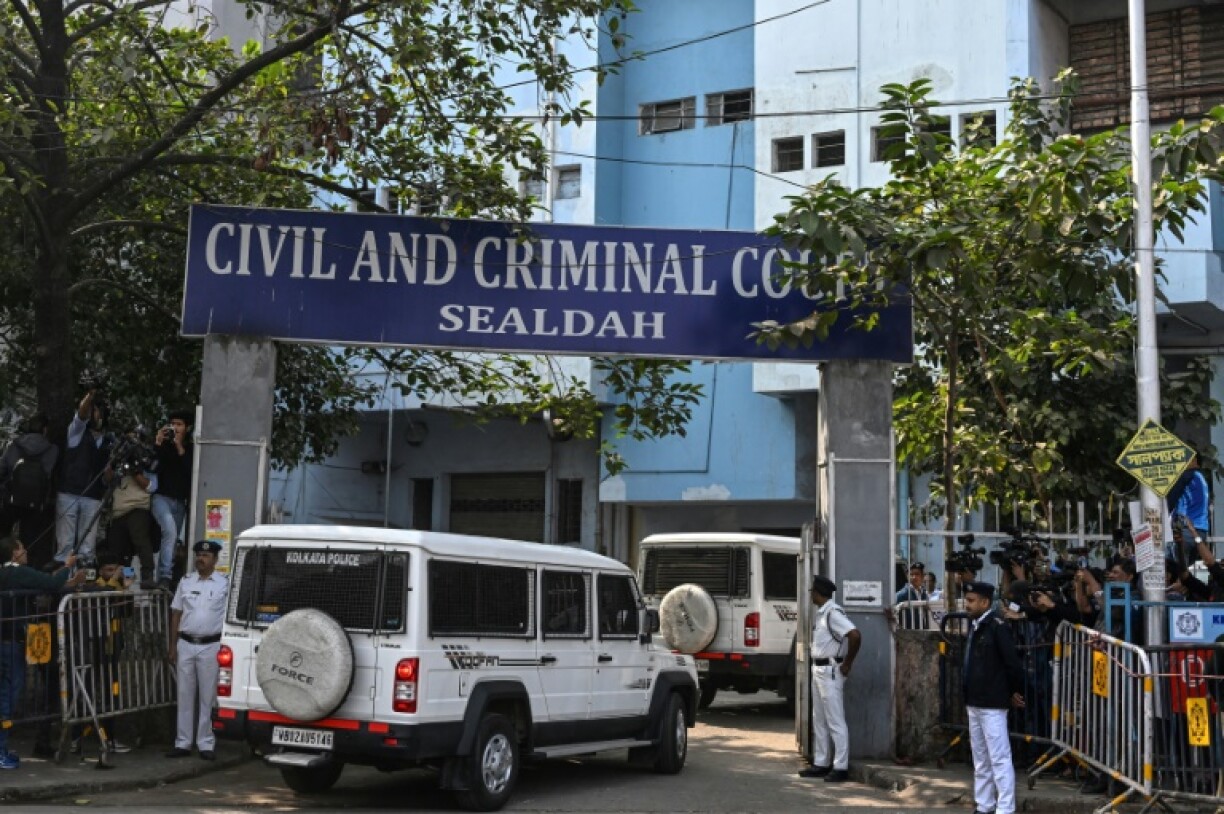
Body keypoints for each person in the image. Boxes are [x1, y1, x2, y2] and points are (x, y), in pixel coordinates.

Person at [0, 536, 86, 769]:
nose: (26, 551)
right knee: (8, 696)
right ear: (14, 554)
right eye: (22, 548)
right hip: (11, 643)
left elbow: (42, 584)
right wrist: (67, 567)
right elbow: (49, 584)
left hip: (7, 641)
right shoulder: (16, 571)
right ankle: (0, 750)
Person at [962, 581, 1025, 814]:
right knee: (980, 759)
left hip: (992, 702)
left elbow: (1012, 664)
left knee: (999, 758)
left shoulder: (997, 627)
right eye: (966, 600)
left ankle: (1005, 808)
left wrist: (1013, 692)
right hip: (975, 701)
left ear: (985, 602)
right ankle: (984, 804)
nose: (966, 605)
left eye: (971, 601)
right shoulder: (976, 626)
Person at [166, 540, 227, 761]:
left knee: (207, 696)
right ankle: (182, 742)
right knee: (184, 694)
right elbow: (176, 614)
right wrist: (172, 646)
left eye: (206, 555)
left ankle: (205, 743)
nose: (201, 559)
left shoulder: (223, 584)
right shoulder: (186, 581)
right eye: (199, 555)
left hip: (211, 645)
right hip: (186, 643)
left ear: (215, 559)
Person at [798, 574, 861, 783]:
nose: (811, 595)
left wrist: (848, 663)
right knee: (820, 719)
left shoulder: (833, 613)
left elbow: (855, 635)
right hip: (819, 670)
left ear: (818, 593)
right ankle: (822, 763)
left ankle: (840, 767)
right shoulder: (822, 613)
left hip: (831, 671)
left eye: (812, 591)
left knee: (835, 720)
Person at [54, 389, 113, 566]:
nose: (94, 415)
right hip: (69, 492)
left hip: (93, 496)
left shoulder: (109, 442)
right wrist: (90, 396)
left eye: (97, 411)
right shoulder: (77, 431)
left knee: (87, 547)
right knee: (66, 543)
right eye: (93, 410)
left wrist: (110, 473)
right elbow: (80, 414)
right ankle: (63, 578)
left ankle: (83, 578)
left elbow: (107, 477)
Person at [0, 413, 60, 566]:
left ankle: (3, 563)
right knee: (30, 540)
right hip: (35, 501)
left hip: (11, 498)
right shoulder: (52, 449)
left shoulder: (15, 444)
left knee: (3, 533)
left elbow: (3, 468)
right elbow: (49, 473)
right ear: (45, 430)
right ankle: (26, 569)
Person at [104, 429, 159, 589]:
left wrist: (135, 470)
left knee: (141, 542)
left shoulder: (146, 457)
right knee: (120, 550)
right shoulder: (119, 456)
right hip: (119, 510)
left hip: (138, 507)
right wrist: (113, 463)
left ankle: (147, 575)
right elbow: (107, 479)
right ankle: (124, 582)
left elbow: (151, 486)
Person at [151, 409, 193, 590]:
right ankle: (165, 576)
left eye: (179, 424)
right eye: (172, 423)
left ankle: (165, 578)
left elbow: (190, 470)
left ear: (187, 428)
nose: (175, 427)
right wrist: (158, 443)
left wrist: (179, 447)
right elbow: (153, 467)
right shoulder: (163, 447)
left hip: (180, 502)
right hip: (161, 498)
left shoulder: (190, 448)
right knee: (169, 531)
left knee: (172, 538)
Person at [894, 561, 929, 628]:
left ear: (922, 576)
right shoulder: (902, 595)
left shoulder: (924, 594)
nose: (914, 577)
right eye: (911, 574)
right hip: (908, 633)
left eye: (917, 574)